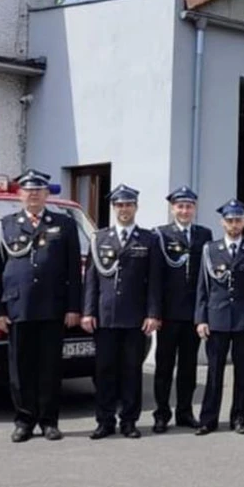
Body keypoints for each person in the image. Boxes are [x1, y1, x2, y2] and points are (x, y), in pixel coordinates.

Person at [0, 169, 82, 443]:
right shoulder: (4, 225)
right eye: (28, 190)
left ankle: (49, 421)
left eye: (39, 190)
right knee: (21, 369)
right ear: (20, 194)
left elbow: (73, 270)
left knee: (50, 368)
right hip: (18, 309)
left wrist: (73, 307)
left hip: (53, 309)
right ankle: (24, 421)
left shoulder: (64, 225)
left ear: (46, 194)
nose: (33, 195)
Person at [83, 184, 162, 439]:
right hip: (105, 317)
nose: (124, 209)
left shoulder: (148, 239)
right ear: (113, 208)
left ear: (136, 208)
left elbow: (154, 281)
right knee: (104, 370)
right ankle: (104, 421)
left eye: (128, 204)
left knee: (131, 371)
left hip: (135, 318)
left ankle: (129, 421)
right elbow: (91, 280)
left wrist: (153, 313)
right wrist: (88, 311)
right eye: (119, 205)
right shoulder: (99, 238)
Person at [194, 199, 244, 435]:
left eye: (238, 220)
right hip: (217, 319)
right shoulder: (210, 249)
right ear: (222, 223)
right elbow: (202, 288)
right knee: (215, 372)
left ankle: (239, 418)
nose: (234, 224)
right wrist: (201, 319)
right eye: (230, 220)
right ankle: (208, 419)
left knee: (243, 373)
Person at [152, 185, 213, 433]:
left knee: (189, 367)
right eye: (180, 206)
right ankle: (161, 414)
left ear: (194, 209)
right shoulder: (160, 234)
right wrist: (154, 312)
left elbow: (207, 278)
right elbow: (155, 278)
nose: (185, 210)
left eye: (189, 206)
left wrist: (204, 313)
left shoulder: (204, 235)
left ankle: (185, 412)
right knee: (164, 366)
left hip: (193, 313)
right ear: (172, 208)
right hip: (167, 313)